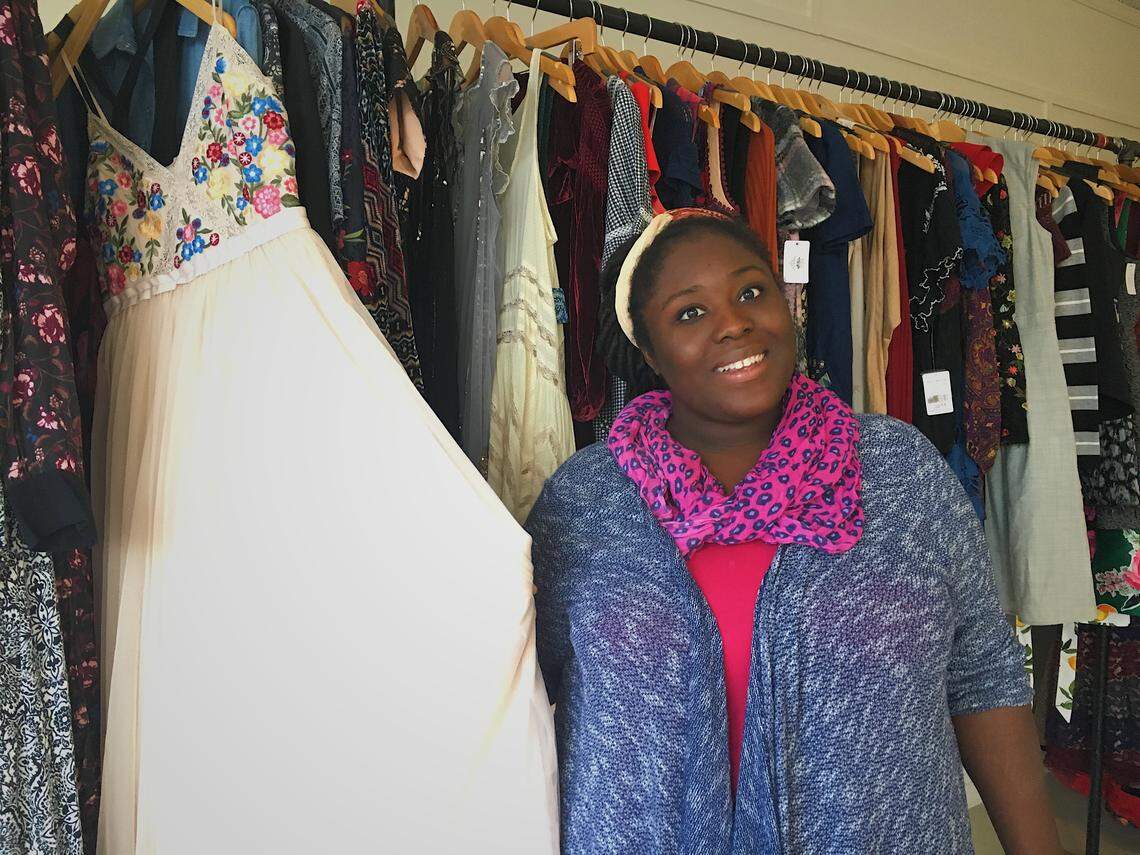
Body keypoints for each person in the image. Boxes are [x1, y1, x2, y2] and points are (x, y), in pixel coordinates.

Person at [526, 209, 1061, 854]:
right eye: (689, 314)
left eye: (752, 291)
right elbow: (529, 700)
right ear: (648, 350)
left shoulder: (899, 474)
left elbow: (981, 674)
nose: (734, 322)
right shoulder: (585, 506)